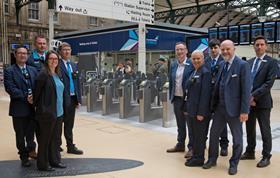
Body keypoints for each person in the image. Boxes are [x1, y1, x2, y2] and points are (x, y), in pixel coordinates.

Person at [203, 40, 251, 175]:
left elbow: (246, 90)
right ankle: (212, 159)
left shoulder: (242, 65)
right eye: (223, 49)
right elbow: (218, 85)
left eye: (227, 49)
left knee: (237, 138)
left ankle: (234, 163)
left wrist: (244, 110)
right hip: (220, 108)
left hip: (235, 110)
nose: (224, 52)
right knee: (213, 135)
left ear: (234, 49)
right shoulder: (222, 64)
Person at [241, 36, 279, 168]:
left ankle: (266, 155)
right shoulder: (249, 62)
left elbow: (268, 83)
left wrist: (253, 96)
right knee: (249, 128)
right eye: (257, 44)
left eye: (262, 44)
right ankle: (250, 151)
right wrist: (247, 97)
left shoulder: (272, 62)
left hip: (262, 103)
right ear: (254, 46)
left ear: (266, 46)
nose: (259, 47)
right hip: (248, 102)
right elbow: (245, 81)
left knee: (265, 130)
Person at [4, 46, 38, 167]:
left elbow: (37, 87)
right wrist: (26, 96)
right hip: (19, 108)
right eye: (20, 53)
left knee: (31, 131)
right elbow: (10, 88)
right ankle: (23, 156)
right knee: (20, 134)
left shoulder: (33, 70)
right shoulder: (9, 70)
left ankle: (31, 150)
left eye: (25, 53)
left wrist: (35, 97)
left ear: (28, 55)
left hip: (32, 107)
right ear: (15, 55)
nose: (23, 55)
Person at [34, 50, 66, 171]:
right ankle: (43, 164)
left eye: (56, 59)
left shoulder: (58, 74)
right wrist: (42, 109)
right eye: (51, 59)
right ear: (47, 61)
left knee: (56, 139)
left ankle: (55, 161)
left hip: (59, 113)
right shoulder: (43, 75)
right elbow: (37, 95)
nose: (54, 61)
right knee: (45, 140)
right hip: (47, 114)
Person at [183, 51, 212, 167]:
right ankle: (195, 156)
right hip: (192, 110)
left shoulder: (205, 73)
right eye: (193, 59)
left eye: (198, 59)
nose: (195, 61)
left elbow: (205, 94)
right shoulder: (194, 71)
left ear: (203, 59)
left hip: (200, 112)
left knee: (200, 136)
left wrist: (201, 113)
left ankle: (199, 158)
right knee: (194, 135)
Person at [166, 42, 193, 159]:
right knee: (180, 123)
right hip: (177, 98)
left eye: (182, 49)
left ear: (186, 51)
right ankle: (180, 144)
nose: (179, 52)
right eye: (177, 50)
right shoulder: (173, 65)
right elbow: (171, 81)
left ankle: (192, 147)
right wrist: (171, 96)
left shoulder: (192, 63)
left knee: (190, 124)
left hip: (188, 99)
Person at [205, 39, 229, 157]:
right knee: (206, 122)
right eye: (212, 48)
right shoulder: (206, 61)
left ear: (219, 48)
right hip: (208, 97)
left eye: (215, 48)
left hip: (220, 97)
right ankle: (203, 143)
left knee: (222, 124)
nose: (213, 50)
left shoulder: (224, 61)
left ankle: (224, 145)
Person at [58, 42, 83, 154]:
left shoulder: (73, 65)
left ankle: (70, 146)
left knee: (69, 124)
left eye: (69, 49)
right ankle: (56, 145)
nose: (67, 51)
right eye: (64, 49)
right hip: (61, 99)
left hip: (72, 99)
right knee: (58, 124)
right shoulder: (57, 65)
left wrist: (78, 100)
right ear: (60, 51)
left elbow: (77, 83)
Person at [26, 35, 48, 159]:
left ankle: (45, 148)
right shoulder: (29, 60)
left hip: (47, 97)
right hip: (35, 97)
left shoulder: (50, 57)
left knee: (45, 124)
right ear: (35, 44)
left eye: (44, 43)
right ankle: (31, 148)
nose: (42, 46)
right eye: (39, 43)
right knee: (31, 124)